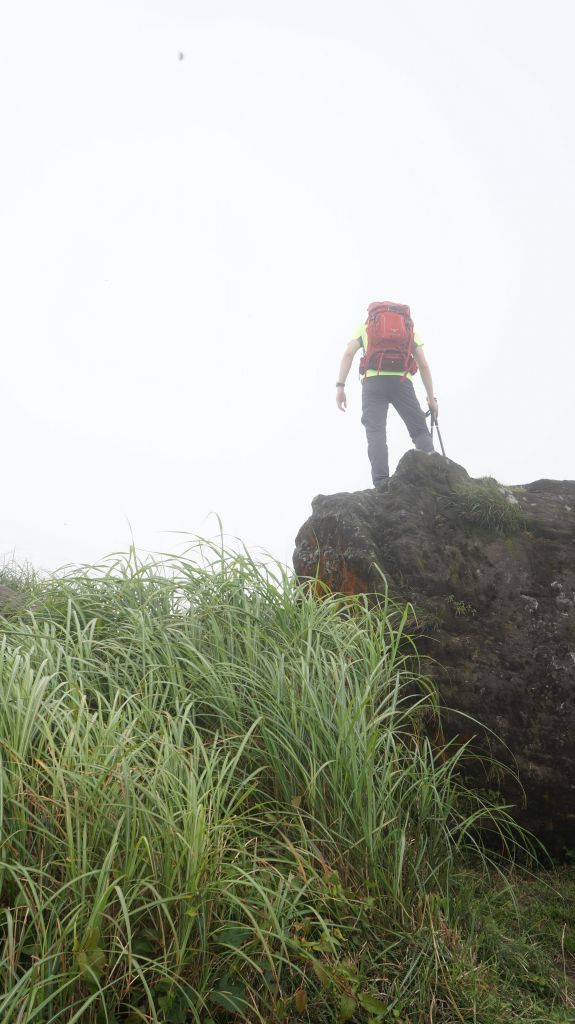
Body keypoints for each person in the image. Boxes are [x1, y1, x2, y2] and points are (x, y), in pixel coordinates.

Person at [336, 309, 439, 488]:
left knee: (376, 434)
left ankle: (381, 484)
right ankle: (434, 475)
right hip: (402, 382)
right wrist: (431, 399)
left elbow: (348, 354)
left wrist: (340, 386)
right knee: (419, 431)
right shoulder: (408, 330)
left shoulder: (366, 327)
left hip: (372, 383)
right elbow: (423, 364)